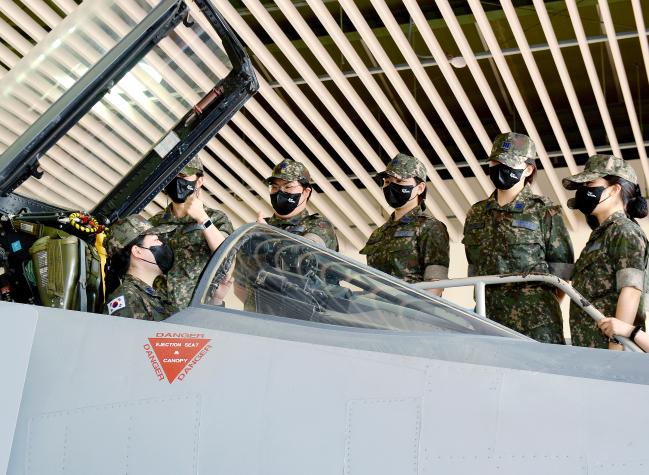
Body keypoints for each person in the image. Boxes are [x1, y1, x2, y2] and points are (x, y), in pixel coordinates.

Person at [462, 132, 574, 343]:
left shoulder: (544, 210)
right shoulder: (476, 213)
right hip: (489, 320)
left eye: (508, 162)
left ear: (528, 169)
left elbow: (562, 270)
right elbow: (474, 266)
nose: (499, 168)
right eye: (495, 162)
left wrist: (540, 308)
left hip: (537, 324)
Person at [563, 154, 648, 350]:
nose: (584, 190)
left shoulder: (624, 231)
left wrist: (615, 349)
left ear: (614, 189)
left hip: (609, 352)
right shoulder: (602, 234)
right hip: (591, 347)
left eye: (590, 183)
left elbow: (631, 291)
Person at [360, 153, 449, 297]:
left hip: (410, 312)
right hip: (375, 311)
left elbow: (436, 283)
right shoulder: (378, 233)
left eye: (400, 181)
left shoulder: (430, 227)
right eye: (388, 182)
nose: (391, 186)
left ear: (420, 188)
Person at [150, 156, 233, 309]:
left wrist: (202, 218)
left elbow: (227, 258)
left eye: (183, 176)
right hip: (159, 312)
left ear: (199, 181)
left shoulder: (216, 219)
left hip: (199, 313)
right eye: (172, 176)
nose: (176, 181)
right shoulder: (154, 223)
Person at [103, 215, 177, 320]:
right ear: (137, 251)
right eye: (156, 240)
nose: (163, 244)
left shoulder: (153, 295)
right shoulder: (128, 299)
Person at [258, 158, 338, 251]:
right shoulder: (261, 227)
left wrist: (268, 237)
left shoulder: (319, 226)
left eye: (288, 186)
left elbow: (303, 253)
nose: (280, 192)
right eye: (275, 187)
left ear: (306, 192)